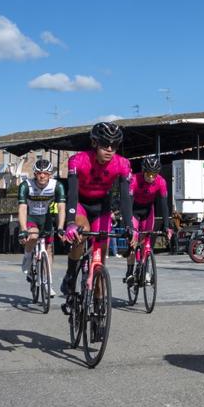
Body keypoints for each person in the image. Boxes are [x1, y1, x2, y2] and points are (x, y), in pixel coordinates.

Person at [60, 122, 133, 296]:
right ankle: (70, 274)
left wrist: (130, 226)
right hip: (81, 203)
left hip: (102, 206)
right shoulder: (78, 160)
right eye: (105, 144)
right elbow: (72, 193)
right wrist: (70, 223)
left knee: (101, 251)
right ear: (94, 143)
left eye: (114, 145)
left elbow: (125, 198)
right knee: (81, 232)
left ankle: (98, 302)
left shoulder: (122, 164)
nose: (109, 149)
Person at [17, 157, 66, 291]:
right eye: (39, 173)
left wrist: (61, 227)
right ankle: (27, 257)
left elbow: (61, 207)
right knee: (33, 236)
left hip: (46, 218)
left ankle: (47, 282)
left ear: (50, 174)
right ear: (35, 174)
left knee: (49, 250)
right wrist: (23, 229)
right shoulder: (26, 185)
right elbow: (22, 208)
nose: (42, 176)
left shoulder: (57, 186)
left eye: (45, 173)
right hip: (31, 217)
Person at [126, 155, 172, 283]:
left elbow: (164, 205)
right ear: (143, 171)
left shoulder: (161, 182)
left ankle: (145, 268)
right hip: (134, 210)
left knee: (146, 240)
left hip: (148, 211)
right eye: (148, 174)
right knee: (132, 240)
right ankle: (130, 271)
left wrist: (167, 225)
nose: (151, 177)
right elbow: (128, 203)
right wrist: (130, 226)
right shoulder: (134, 180)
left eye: (154, 174)